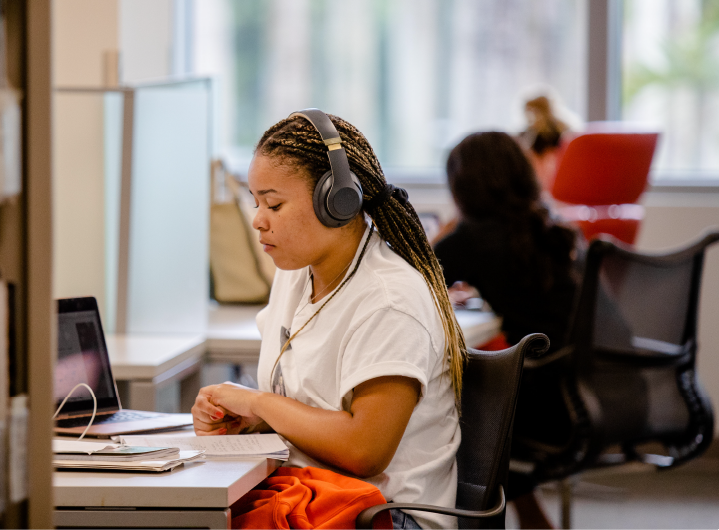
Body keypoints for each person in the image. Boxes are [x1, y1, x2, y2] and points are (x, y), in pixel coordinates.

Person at [191, 110, 466, 530]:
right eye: (256, 202)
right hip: (315, 497)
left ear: (338, 200)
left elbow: (364, 449)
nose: (257, 219)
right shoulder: (296, 275)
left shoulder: (389, 300)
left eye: (274, 204)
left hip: (386, 517)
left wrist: (261, 403)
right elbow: (311, 404)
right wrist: (248, 420)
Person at [434, 131, 581, 530]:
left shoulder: (473, 238)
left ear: (463, 185)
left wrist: (446, 233)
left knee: (442, 401)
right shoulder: (552, 227)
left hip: (539, 401)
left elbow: (412, 280)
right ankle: (532, 519)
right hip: (577, 388)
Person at [519, 94, 571, 193]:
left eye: (532, 112)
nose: (529, 118)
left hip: (553, 185)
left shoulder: (561, 135)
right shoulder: (528, 134)